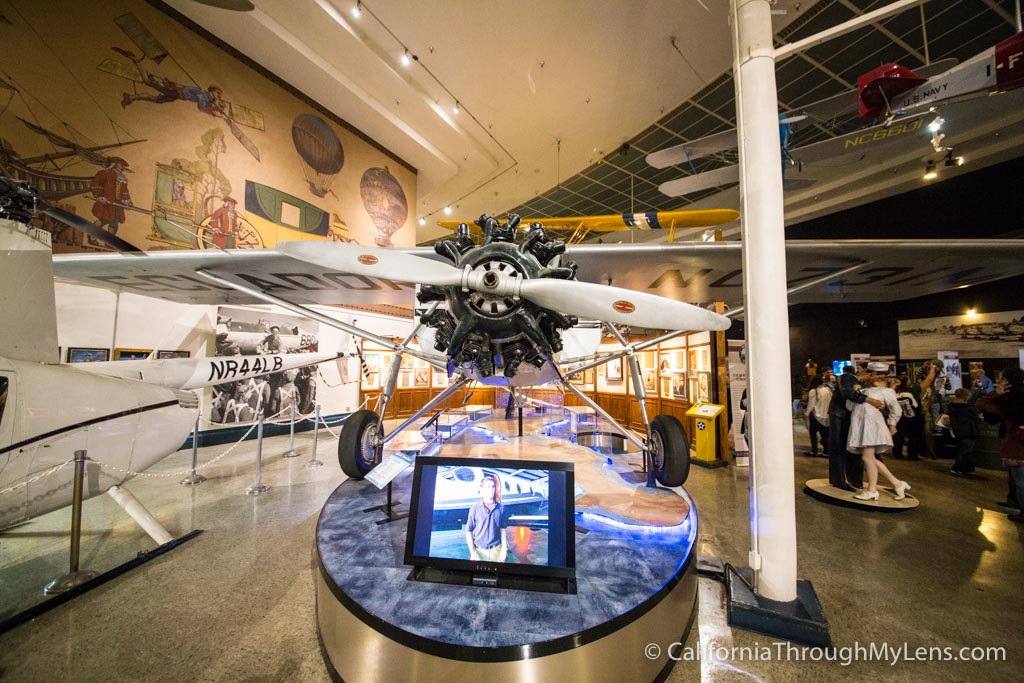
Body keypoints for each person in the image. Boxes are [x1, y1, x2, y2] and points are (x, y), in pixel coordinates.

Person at [847, 363, 910, 501]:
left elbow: (896, 409)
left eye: (869, 374)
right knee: (871, 458)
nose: (865, 376)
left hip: (872, 425)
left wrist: (892, 424)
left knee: (867, 458)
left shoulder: (887, 392)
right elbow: (850, 406)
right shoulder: (864, 391)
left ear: (876, 375)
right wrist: (856, 392)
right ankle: (897, 484)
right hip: (862, 425)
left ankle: (872, 490)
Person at [975, 368, 1024, 523]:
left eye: (1002, 379)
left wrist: (997, 393)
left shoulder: (1009, 402)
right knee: (1016, 479)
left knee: (1020, 481)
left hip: (1016, 445)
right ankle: (1014, 502)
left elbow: (981, 403)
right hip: (1016, 443)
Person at [827, 364, 885, 491]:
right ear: (871, 374)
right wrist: (870, 400)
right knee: (839, 448)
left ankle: (856, 480)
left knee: (853, 449)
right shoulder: (846, 377)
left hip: (851, 417)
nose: (876, 382)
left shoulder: (860, 383)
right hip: (840, 416)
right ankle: (839, 480)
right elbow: (848, 393)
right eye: (877, 378)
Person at [465, 473, 509, 562]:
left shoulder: (501, 508)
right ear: (482, 489)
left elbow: (503, 530)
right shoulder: (474, 509)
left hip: (496, 550)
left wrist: (504, 550)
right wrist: (473, 552)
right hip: (479, 551)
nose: (491, 489)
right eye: (488, 487)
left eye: (493, 487)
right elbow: (468, 531)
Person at [90, 156, 132, 235]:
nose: (122, 167)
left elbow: (125, 191)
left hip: (118, 204)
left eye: (123, 165)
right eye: (120, 165)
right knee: (104, 219)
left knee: (114, 222)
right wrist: (99, 196)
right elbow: (95, 185)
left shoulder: (122, 177)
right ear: (114, 164)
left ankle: (109, 242)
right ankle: (91, 234)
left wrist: (127, 202)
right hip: (107, 202)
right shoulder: (105, 173)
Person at [948, 387, 982, 475]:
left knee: (962, 450)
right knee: (965, 451)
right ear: (966, 396)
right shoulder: (969, 408)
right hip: (969, 431)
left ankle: (965, 468)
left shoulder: (951, 407)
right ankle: (957, 468)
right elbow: (978, 418)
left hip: (957, 430)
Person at [892, 376, 918, 459]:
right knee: (913, 436)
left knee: (898, 436)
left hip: (898, 417)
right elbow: (915, 405)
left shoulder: (893, 393)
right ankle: (912, 455)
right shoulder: (909, 393)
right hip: (910, 417)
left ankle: (897, 453)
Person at [804, 375, 831, 457]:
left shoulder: (813, 391)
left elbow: (811, 404)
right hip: (826, 415)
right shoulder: (827, 390)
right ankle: (826, 451)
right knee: (825, 435)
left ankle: (814, 450)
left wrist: (806, 413)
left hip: (816, 415)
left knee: (813, 434)